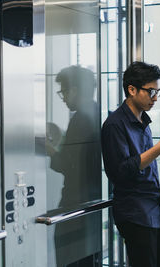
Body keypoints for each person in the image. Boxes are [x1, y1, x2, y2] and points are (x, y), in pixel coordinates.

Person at [101, 61, 160, 267]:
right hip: (136, 214)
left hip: (157, 208)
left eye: (158, 91)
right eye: (150, 92)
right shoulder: (114, 125)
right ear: (131, 89)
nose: (155, 98)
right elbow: (120, 172)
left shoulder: (143, 121)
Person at [47, 65, 101, 266]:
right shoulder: (97, 111)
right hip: (92, 201)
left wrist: (49, 148)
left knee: (69, 259)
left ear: (75, 91)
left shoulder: (79, 118)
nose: (64, 99)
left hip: (74, 204)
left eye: (63, 93)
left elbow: (66, 164)